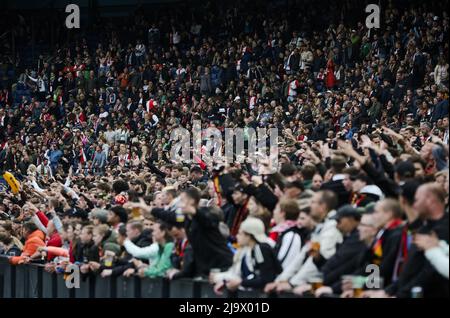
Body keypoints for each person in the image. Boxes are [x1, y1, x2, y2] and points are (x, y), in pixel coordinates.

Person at [211, 217, 282, 294]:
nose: (237, 236)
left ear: (249, 235)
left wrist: (241, 282)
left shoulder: (261, 248)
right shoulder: (251, 250)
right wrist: (225, 282)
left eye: (240, 233)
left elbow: (266, 278)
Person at [270, 198, 302, 270]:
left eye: (276, 209)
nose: (274, 212)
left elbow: (284, 263)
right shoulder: (278, 231)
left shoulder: (291, 235)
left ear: (282, 213)